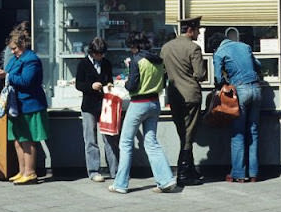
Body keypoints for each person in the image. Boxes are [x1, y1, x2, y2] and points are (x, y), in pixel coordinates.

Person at [109, 32, 176, 194]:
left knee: (125, 142)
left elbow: (131, 86)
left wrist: (124, 81)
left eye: (131, 46)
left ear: (135, 46)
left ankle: (120, 183)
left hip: (139, 104)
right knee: (151, 142)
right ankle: (166, 180)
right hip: (154, 103)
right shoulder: (158, 61)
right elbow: (163, 82)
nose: (130, 50)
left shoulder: (136, 60)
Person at [0, 22, 49, 185]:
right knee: (18, 140)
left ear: (23, 45)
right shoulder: (18, 58)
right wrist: (2, 73)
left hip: (29, 104)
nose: (12, 52)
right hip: (16, 105)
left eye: (15, 49)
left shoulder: (31, 59)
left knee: (27, 139)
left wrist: (7, 76)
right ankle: (22, 170)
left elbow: (26, 81)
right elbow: (9, 71)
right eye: (11, 49)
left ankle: (30, 172)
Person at [160, 16, 207, 186]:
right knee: (189, 133)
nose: (198, 33)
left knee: (183, 132)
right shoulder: (193, 48)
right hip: (191, 95)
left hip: (174, 95)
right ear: (191, 30)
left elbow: (163, 71)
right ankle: (183, 174)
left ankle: (190, 170)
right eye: (198, 30)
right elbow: (200, 74)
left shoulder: (166, 48)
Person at [210, 32, 262, 183]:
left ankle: (238, 174)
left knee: (238, 133)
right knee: (253, 132)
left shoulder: (219, 52)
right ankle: (254, 173)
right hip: (257, 90)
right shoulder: (245, 46)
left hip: (240, 91)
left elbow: (218, 78)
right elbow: (258, 65)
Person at [75, 37, 118, 182]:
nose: (100, 56)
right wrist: (91, 86)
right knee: (91, 139)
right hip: (89, 105)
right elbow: (78, 84)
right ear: (92, 52)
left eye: (102, 54)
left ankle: (115, 171)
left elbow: (109, 79)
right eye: (98, 54)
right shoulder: (83, 64)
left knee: (109, 138)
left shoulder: (106, 63)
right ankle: (94, 171)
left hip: (105, 104)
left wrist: (109, 85)